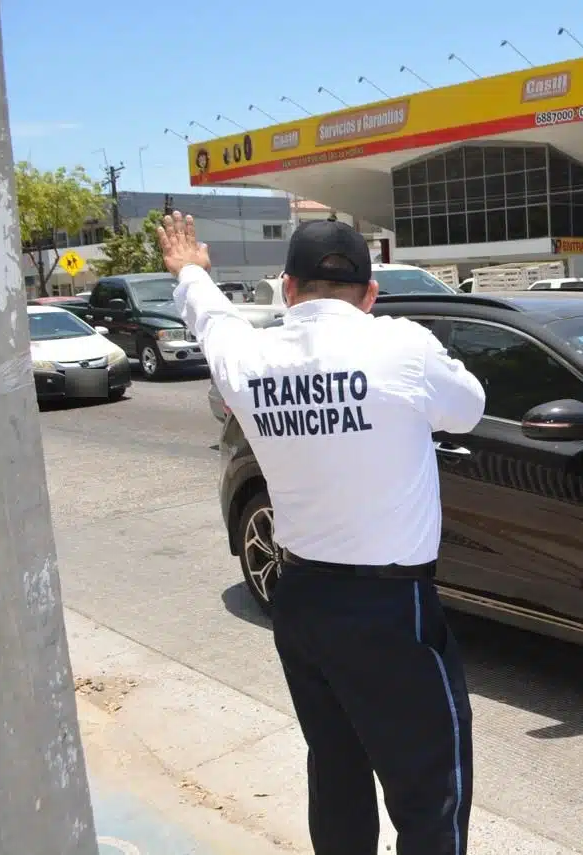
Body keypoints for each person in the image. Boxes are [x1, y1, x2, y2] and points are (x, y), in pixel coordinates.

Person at [159, 212, 485, 855]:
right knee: (430, 790)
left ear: (286, 288)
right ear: (370, 294)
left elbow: (212, 318)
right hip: (392, 611)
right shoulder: (402, 344)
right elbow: (469, 409)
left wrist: (190, 269)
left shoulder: (251, 358)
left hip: (301, 598)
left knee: (335, 770)